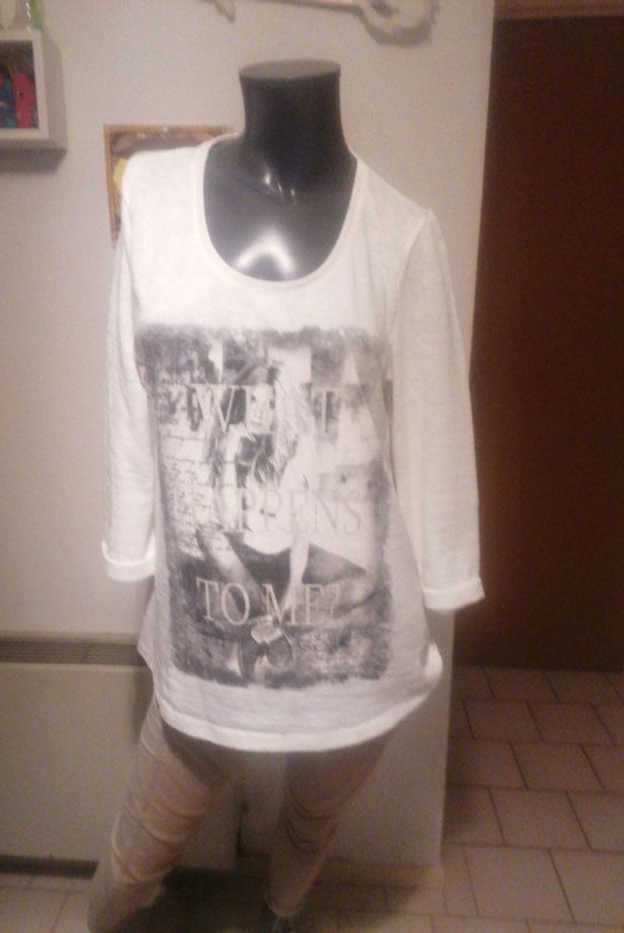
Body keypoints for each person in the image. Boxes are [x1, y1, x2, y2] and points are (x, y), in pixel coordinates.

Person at [89, 59, 483, 933]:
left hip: (355, 662)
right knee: (134, 858)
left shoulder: (402, 234)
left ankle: (279, 917)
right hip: (205, 659)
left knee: (311, 825)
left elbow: (435, 430)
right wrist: (132, 535)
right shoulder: (152, 200)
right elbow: (130, 388)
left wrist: (446, 569)